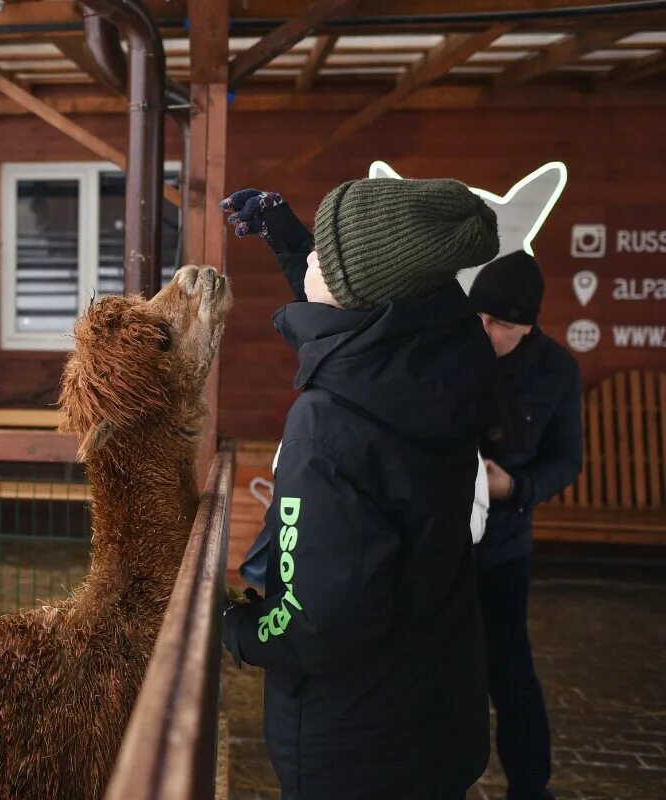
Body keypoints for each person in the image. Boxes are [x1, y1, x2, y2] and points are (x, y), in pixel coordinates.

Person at [220, 179, 500, 799]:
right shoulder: (447, 357)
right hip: (434, 715)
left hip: (352, 746)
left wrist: (235, 628)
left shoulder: (329, 425)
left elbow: (311, 624)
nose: (313, 255)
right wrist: (291, 244)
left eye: (325, 249)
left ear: (357, 289)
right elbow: (363, 320)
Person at [469, 250, 582, 800]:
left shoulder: (557, 370)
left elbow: (566, 460)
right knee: (432, 672)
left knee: (510, 673)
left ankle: (530, 789)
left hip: (502, 544)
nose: (487, 332)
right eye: (480, 319)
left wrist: (513, 486)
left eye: (503, 325)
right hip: (433, 541)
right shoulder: (450, 346)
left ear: (529, 325)